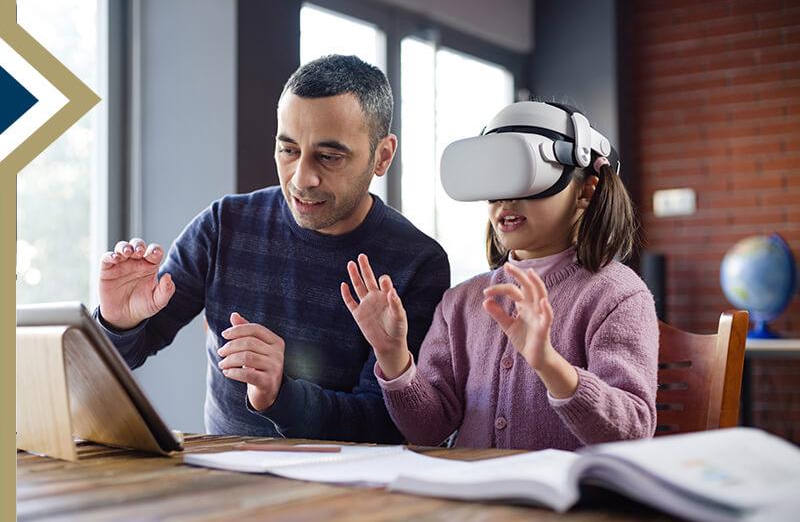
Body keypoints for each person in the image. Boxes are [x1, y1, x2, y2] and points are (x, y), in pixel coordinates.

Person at [95, 55, 450, 443]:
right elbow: (126, 354)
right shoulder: (223, 225)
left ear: (382, 155)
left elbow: (387, 423)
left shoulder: (417, 262)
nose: (302, 178)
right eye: (288, 150)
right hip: (228, 478)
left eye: (329, 157)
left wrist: (281, 396)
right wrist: (118, 322)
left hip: (348, 493)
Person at [341, 101, 658, 450]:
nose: (504, 201)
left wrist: (549, 364)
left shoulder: (617, 296)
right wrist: (393, 357)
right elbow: (427, 432)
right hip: (475, 495)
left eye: (523, 179)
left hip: (570, 500)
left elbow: (633, 431)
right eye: (495, 180)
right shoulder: (461, 302)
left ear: (585, 191)